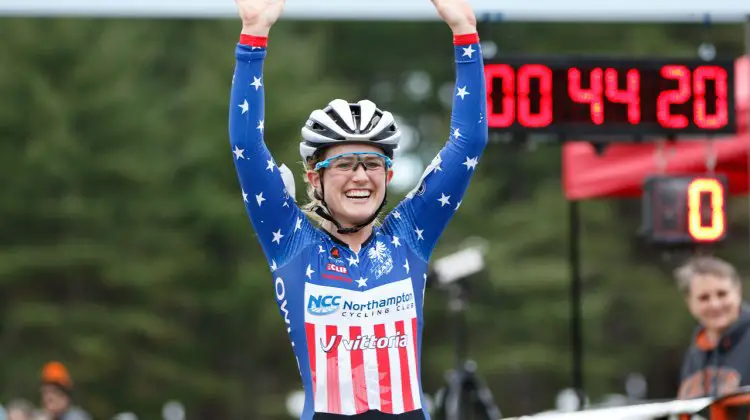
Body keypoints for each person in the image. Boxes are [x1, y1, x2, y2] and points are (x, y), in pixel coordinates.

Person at [227, 0, 486, 418]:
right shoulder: (293, 242)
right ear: (314, 178)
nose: (361, 177)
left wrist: (465, 33)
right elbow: (246, 148)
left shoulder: (408, 236)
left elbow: (468, 143)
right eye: (344, 164)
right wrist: (253, 37)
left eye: (373, 164)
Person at [674, 256, 750, 399]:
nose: (715, 304)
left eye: (722, 294)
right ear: (689, 302)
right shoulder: (695, 352)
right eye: (704, 298)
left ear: (737, 291)